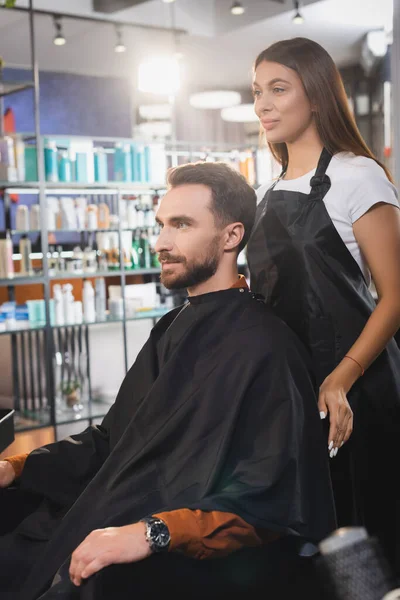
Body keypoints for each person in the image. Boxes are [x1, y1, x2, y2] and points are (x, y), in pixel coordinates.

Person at [0, 161, 336, 600]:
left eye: (181, 225)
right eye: (161, 225)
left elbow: (268, 500)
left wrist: (152, 532)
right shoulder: (173, 327)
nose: (160, 243)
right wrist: (17, 467)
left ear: (232, 236)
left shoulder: (268, 349)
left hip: (177, 555)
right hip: (105, 513)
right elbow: (111, 441)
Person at [246, 36, 400, 575]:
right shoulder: (265, 196)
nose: (263, 104)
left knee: (361, 539)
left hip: (357, 392)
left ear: (315, 95)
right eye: (257, 91)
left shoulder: (359, 177)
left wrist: (341, 379)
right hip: (294, 396)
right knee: (310, 544)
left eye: (278, 89)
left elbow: (396, 296)